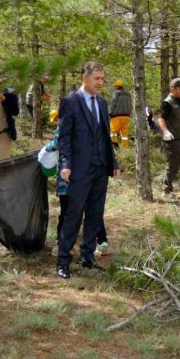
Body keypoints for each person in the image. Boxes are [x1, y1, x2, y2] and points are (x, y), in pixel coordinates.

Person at [55, 61, 119, 279]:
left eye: (103, 79)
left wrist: (114, 163)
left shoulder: (101, 102)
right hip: (79, 169)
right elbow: (64, 137)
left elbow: (105, 135)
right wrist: (65, 164)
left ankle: (87, 257)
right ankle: (63, 261)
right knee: (73, 215)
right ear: (85, 77)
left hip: (100, 168)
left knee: (95, 214)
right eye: (97, 79)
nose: (101, 83)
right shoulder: (70, 101)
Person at [44, 110, 109, 258]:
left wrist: (45, 149)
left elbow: (55, 145)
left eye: (57, 120)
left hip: (69, 181)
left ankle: (62, 245)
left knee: (67, 212)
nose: (57, 123)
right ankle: (102, 243)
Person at [108, 79, 132, 148]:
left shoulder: (116, 93)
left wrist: (110, 112)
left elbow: (113, 103)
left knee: (113, 131)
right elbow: (130, 105)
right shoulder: (128, 94)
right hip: (126, 116)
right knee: (124, 133)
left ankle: (114, 144)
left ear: (117, 86)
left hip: (116, 116)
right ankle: (125, 147)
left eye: (115, 86)